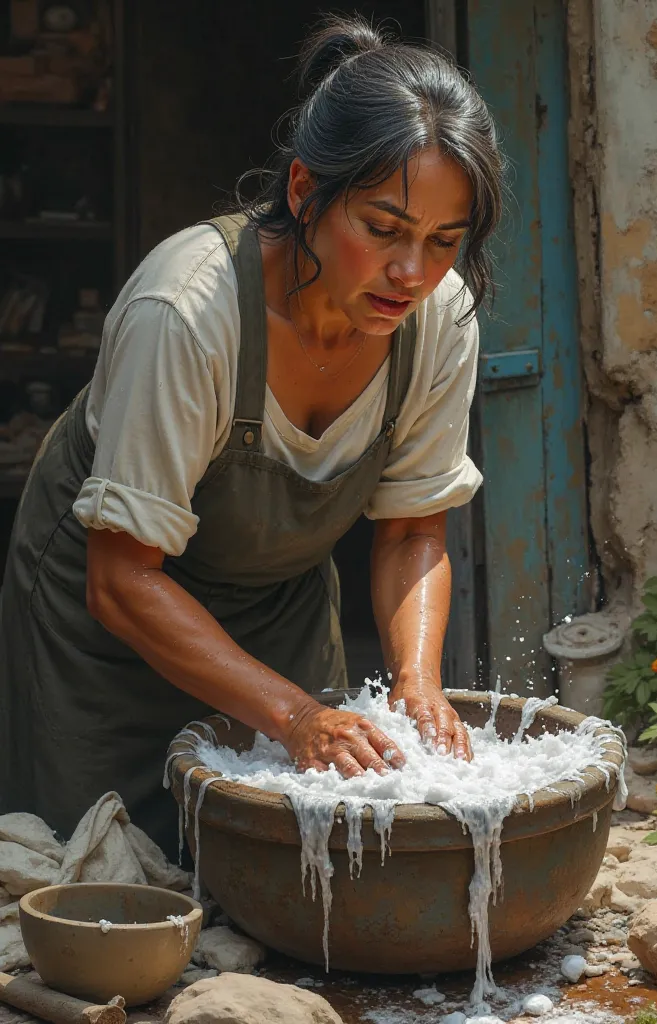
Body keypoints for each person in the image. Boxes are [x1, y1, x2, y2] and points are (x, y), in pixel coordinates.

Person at [0, 15, 503, 859]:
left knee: (280, 869)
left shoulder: (438, 316)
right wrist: (297, 715)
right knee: (102, 874)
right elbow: (123, 579)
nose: (411, 272)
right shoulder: (186, 313)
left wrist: (418, 680)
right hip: (108, 637)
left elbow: (414, 529)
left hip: (274, 613)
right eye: (383, 229)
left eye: (442, 242)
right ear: (305, 191)